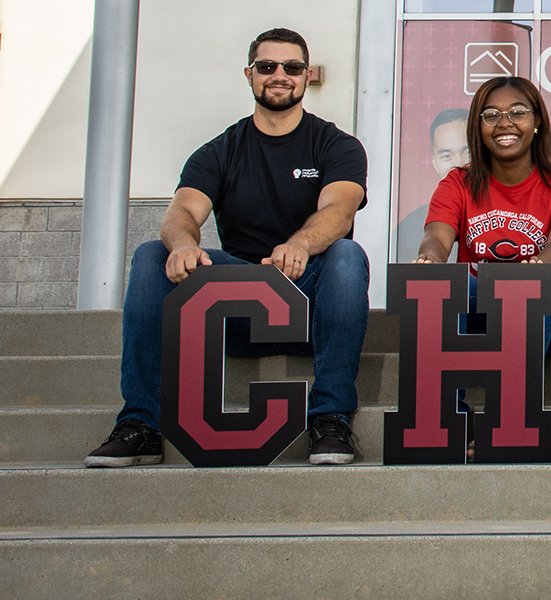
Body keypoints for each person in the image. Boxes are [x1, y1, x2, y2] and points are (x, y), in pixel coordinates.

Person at [85, 28, 370, 468]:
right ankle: (141, 425)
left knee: (348, 256)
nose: (280, 75)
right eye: (267, 66)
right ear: (249, 74)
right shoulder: (219, 151)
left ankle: (330, 418)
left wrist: (299, 244)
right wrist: (182, 244)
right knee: (151, 254)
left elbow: (341, 208)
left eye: (292, 67)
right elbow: (182, 211)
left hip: (312, 302)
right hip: (240, 306)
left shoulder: (336, 145)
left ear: (307, 76)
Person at [414, 76, 551, 359]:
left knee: (531, 286)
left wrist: (537, 270)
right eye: (491, 116)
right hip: (480, 306)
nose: (504, 123)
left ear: (537, 121)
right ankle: (450, 404)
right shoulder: (457, 183)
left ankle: (516, 401)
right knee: (442, 283)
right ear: (478, 127)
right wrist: (430, 260)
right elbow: (436, 236)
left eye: (518, 113)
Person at [396, 109, 471, 263]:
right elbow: (435, 241)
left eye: (467, 153)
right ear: (435, 163)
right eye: (446, 156)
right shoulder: (406, 228)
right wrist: (430, 260)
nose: (459, 164)